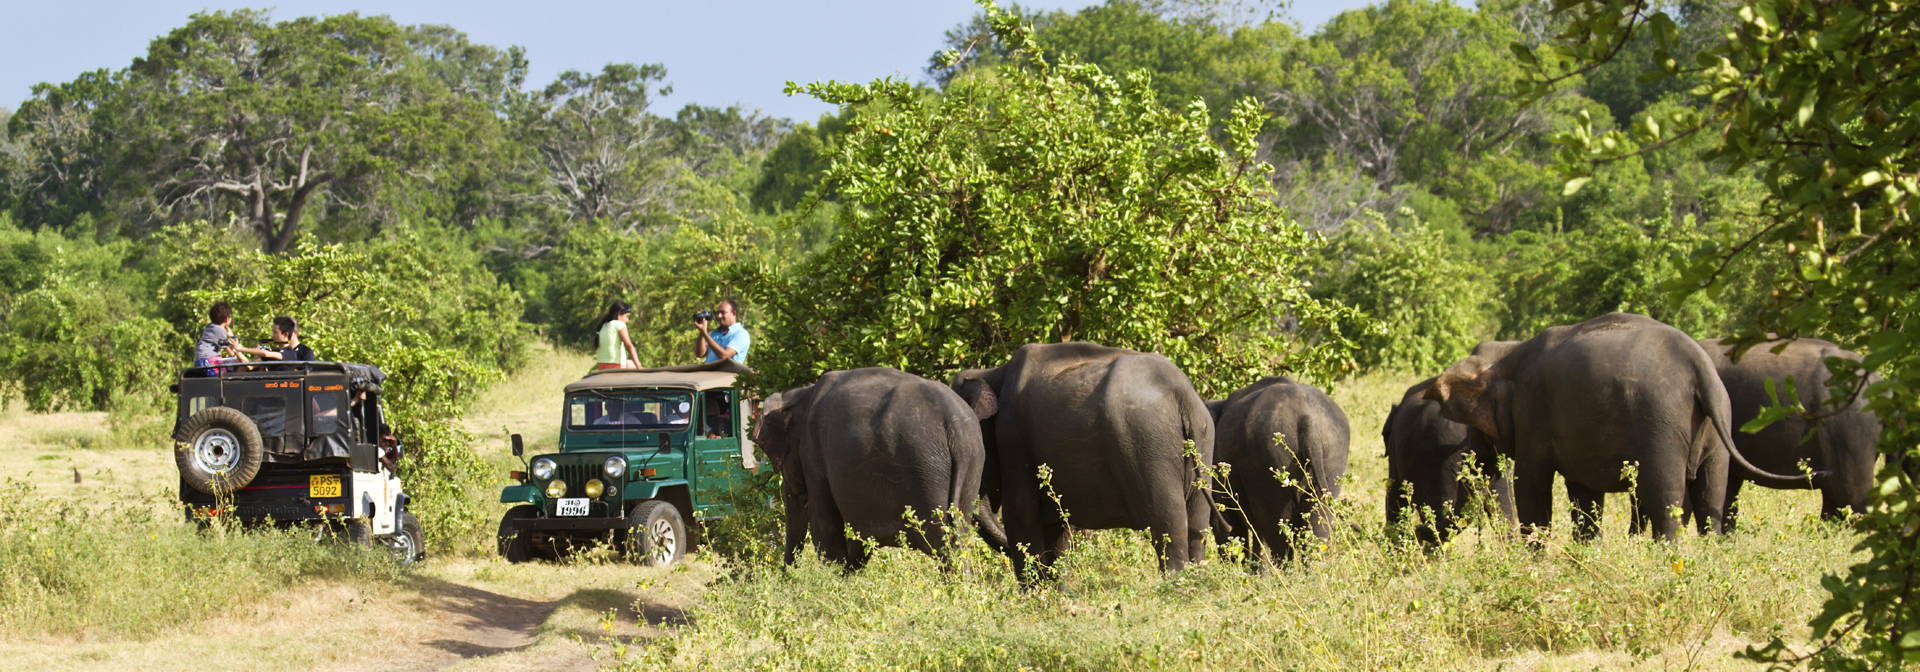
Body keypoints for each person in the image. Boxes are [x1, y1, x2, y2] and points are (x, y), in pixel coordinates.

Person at [192, 301, 249, 375]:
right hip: (209, 360)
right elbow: (232, 352)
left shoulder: (209, 326)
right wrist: (231, 336)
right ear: (227, 319)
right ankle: (233, 384)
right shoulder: (220, 331)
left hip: (201, 359)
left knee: (237, 361)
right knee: (221, 380)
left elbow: (229, 352)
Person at [237, 316, 315, 366]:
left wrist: (241, 348)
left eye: (275, 332)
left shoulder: (291, 353)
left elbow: (265, 353)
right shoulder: (275, 352)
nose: (272, 336)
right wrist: (235, 349)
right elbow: (250, 366)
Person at [693, 299, 750, 365]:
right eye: (718, 313)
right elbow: (699, 354)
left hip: (727, 374)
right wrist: (702, 332)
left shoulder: (741, 334)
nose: (719, 316)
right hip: (708, 374)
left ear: (734, 313)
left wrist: (705, 333)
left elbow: (725, 356)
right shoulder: (715, 333)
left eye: (723, 312)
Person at [595, 300, 641, 371]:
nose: (627, 320)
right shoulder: (619, 324)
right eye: (627, 316)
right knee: (634, 364)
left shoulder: (603, 325)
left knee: (631, 363)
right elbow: (629, 346)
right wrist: (639, 366)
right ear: (619, 315)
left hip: (601, 365)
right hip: (615, 365)